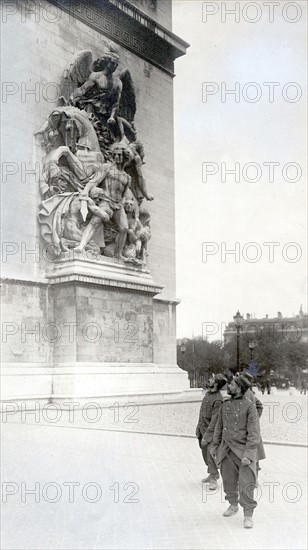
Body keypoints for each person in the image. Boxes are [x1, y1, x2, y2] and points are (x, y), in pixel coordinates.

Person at [212, 375, 265, 529]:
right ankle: (233, 504)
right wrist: (215, 446)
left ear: (240, 388)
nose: (229, 385)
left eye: (233, 384)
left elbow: (254, 434)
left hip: (243, 453)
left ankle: (248, 514)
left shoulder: (250, 406)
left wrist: (248, 455)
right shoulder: (225, 404)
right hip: (226, 450)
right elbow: (218, 427)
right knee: (228, 481)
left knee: (246, 484)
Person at [195, 374, 227, 491]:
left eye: (212, 379)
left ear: (217, 383)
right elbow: (201, 413)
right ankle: (211, 473)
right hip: (202, 430)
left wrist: (207, 437)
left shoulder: (218, 399)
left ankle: (214, 478)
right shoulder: (208, 394)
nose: (209, 380)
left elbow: (215, 420)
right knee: (205, 454)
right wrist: (198, 428)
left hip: (211, 433)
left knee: (211, 454)